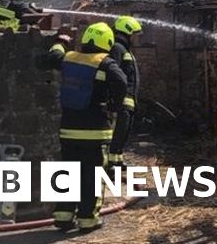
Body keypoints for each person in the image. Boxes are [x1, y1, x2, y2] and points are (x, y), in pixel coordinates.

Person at [37, 23, 128, 233]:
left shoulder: (69, 57)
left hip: (68, 130)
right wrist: (114, 105)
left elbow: (52, 57)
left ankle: (63, 216)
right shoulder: (105, 63)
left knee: (67, 172)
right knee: (93, 175)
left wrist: (60, 41)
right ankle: (88, 218)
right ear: (107, 43)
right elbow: (122, 82)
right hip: (95, 131)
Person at [107, 16, 142, 168]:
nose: (137, 38)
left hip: (128, 101)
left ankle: (117, 159)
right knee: (117, 133)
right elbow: (114, 75)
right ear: (127, 32)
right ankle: (110, 164)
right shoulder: (117, 48)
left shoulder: (124, 49)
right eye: (135, 34)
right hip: (122, 102)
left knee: (123, 133)